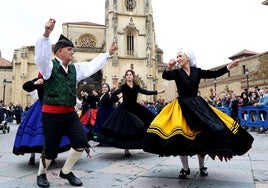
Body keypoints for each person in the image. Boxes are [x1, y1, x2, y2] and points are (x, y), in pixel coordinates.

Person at [142, 48, 254, 178]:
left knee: (204, 134)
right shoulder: (177, 72)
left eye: (180, 56)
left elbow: (214, 74)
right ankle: (185, 168)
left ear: (188, 58)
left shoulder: (197, 71)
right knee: (180, 137)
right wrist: (169, 66)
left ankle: (202, 166)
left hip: (198, 106)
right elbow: (166, 75)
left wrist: (229, 66)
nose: (177, 58)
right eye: (176, 56)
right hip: (181, 107)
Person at [34, 18, 117, 187]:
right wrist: (46, 35)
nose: (73, 52)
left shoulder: (74, 69)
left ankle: (66, 171)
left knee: (81, 142)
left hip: (70, 114)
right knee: (50, 150)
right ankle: (41, 175)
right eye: (69, 49)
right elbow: (41, 58)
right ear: (59, 52)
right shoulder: (49, 68)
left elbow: (92, 66)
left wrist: (108, 54)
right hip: (51, 115)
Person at [99, 69, 165, 157]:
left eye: (130, 74)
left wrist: (158, 92)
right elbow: (115, 93)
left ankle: (145, 142)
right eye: (127, 74)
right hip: (125, 109)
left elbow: (146, 92)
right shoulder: (123, 87)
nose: (129, 76)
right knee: (125, 129)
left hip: (135, 108)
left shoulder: (137, 87)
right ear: (125, 77)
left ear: (133, 76)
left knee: (143, 124)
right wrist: (111, 91)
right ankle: (126, 149)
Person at [13, 74, 71, 165]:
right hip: (39, 109)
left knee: (53, 133)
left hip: (52, 107)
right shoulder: (39, 79)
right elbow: (26, 86)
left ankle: (50, 155)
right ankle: (32, 157)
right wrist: (35, 83)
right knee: (35, 133)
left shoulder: (55, 79)